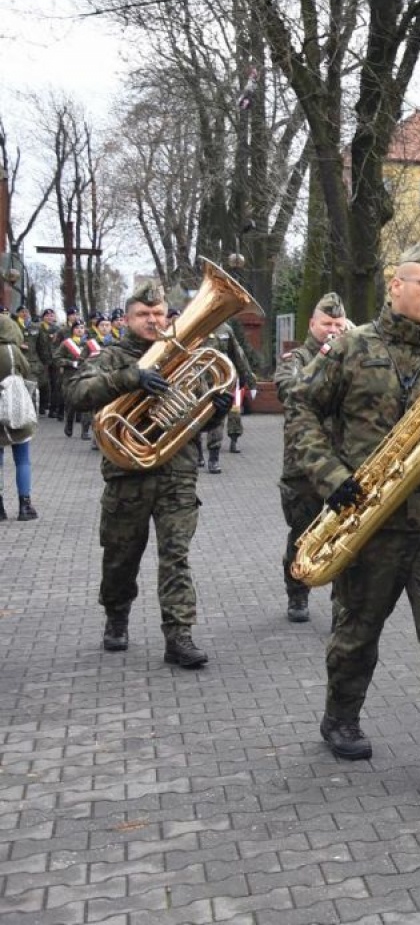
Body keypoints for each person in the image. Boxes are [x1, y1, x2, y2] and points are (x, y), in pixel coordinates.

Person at [284, 242, 420, 789]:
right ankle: (341, 717)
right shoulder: (353, 347)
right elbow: (302, 406)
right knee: (357, 633)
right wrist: (331, 478)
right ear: (395, 284)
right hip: (371, 520)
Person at [66, 279, 217, 668]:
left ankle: (179, 636)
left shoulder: (186, 354)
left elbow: (195, 414)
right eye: (143, 314)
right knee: (120, 557)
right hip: (126, 476)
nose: (152, 320)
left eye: (158, 313)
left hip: (176, 473)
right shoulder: (112, 356)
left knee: (176, 557)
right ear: (128, 317)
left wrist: (214, 406)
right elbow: (75, 393)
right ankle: (117, 618)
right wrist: (130, 378)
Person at [273, 291, 347, 623]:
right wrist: (327, 356)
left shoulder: (352, 355)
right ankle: (297, 592)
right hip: (303, 465)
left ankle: (341, 602)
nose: (332, 328)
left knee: (343, 536)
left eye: (338, 323)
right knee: (303, 533)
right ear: (312, 324)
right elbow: (289, 390)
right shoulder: (297, 357)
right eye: (326, 323)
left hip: (344, 462)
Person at [1, 312, 40, 521]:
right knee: (22, 459)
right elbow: (27, 371)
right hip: (15, 409)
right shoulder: (13, 351)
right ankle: (24, 506)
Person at [202, 320, 255, 472]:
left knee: (219, 416)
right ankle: (198, 453)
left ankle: (214, 457)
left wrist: (247, 377)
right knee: (195, 416)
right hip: (199, 381)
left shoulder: (225, 329)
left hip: (221, 381)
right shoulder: (197, 327)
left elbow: (238, 354)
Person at [58, 318, 98, 439]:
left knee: (86, 402)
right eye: (77, 328)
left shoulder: (91, 343)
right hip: (71, 377)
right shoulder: (66, 344)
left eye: (82, 328)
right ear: (73, 330)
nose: (80, 330)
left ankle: (85, 431)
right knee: (71, 404)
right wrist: (70, 363)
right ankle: (69, 424)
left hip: (86, 376)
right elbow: (56, 358)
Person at [34, 308, 62, 420]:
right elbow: (35, 345)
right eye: (47, 315)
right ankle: (41, 405)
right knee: (43, 384)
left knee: (55, 384)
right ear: (43, 317)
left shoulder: (57, 329)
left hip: (54, 360)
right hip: (42, 360)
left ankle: (52, 409)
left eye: (52, 316)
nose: (50, 317)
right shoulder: (38, 328)